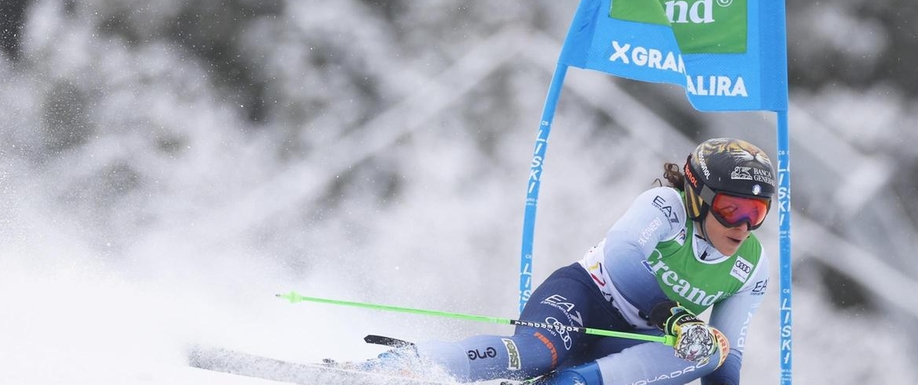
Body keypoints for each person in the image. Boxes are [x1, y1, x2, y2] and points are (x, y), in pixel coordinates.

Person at [331, 138, 774, 385]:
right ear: (697, 195)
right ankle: (396, 369)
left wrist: (686, 333)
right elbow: (621, 256)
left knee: (711, 349)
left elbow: (727, 358)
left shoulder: (752, 267)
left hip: (631, 341)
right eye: (732, 209)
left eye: (757, 213)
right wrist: (674, 316)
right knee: (535, 353)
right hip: (584, 299)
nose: (742, 226)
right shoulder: (665, 207)